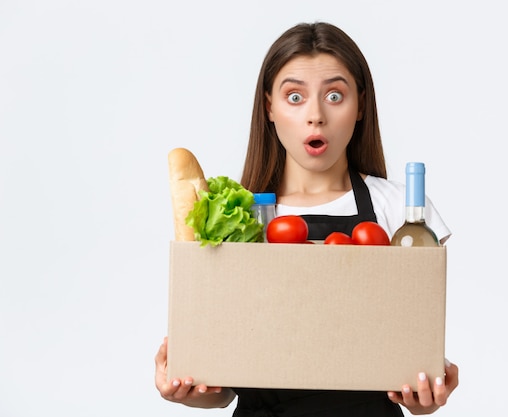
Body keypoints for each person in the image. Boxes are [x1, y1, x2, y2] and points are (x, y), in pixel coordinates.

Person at [155, 21, 459, 416]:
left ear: (361, 106)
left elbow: (412, 353)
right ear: (269, 107)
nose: (315, 115)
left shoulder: (400, 209)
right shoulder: (238, 218)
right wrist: (192, 389)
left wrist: (425, 398)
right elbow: (225, 387)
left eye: (335, 95)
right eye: (295, 97)